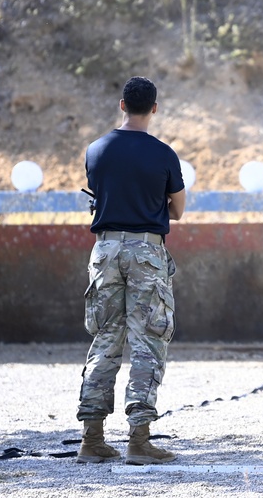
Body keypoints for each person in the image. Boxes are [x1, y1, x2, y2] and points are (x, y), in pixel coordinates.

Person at [75, 76, 186, 465]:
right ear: (154, 108)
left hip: (104, 250)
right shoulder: (164, 155)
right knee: (148, 340)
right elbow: (178, 209)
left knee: (105, 339)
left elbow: (100, 191)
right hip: (146, 253)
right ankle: (138, 439)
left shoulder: (96, 150)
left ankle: (92, 439)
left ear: (122, 104)